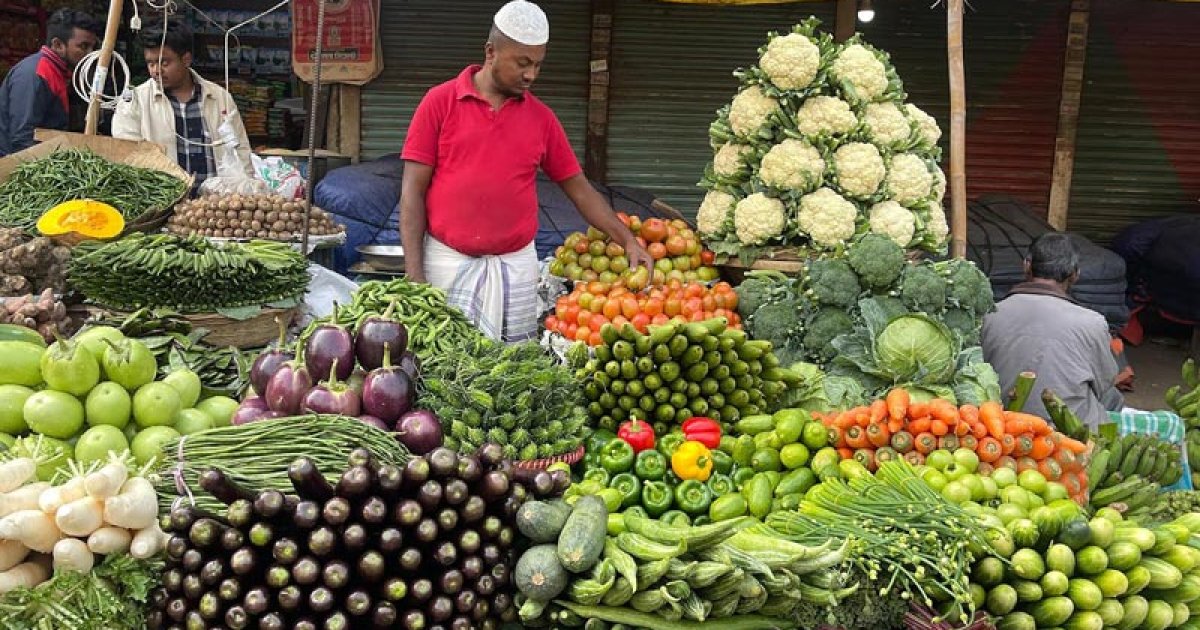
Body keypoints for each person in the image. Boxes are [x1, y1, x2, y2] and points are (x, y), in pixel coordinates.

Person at [399, 0, 653, 343]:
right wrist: (414, 275)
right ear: (491, 52)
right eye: (522, 63)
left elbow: (579, 190)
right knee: (445, 371)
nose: (531, 74)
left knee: (513, 374)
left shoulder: (542, 119)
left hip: (516, 269)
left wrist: (627, 240)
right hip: (446, 264)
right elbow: (412, 192)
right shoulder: (439, 102)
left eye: (537, 64)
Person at [982, 233, 1124, 429]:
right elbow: (1105, 381)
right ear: (1075, 274)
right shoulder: (1093, 322)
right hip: (1068, 434)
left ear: (1026, 265)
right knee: (1112, 396)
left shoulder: (990, 315)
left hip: (1002, 426)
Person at [112, 23, 253, 191]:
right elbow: (127, 157)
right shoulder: (135, 101)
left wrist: (246, 191)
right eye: (150, 63)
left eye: (164, 62)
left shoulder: (219, 97)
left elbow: (241, 151)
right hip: (163, 207)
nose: (156, 70)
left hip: (217, 207)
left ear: (186, 59)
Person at [0, 9, 99, 156]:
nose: (90, 53)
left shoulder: (59, 71)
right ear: (58, 45)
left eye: (93, 47)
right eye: (83, 46)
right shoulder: (35, 74)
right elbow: (23, 138)